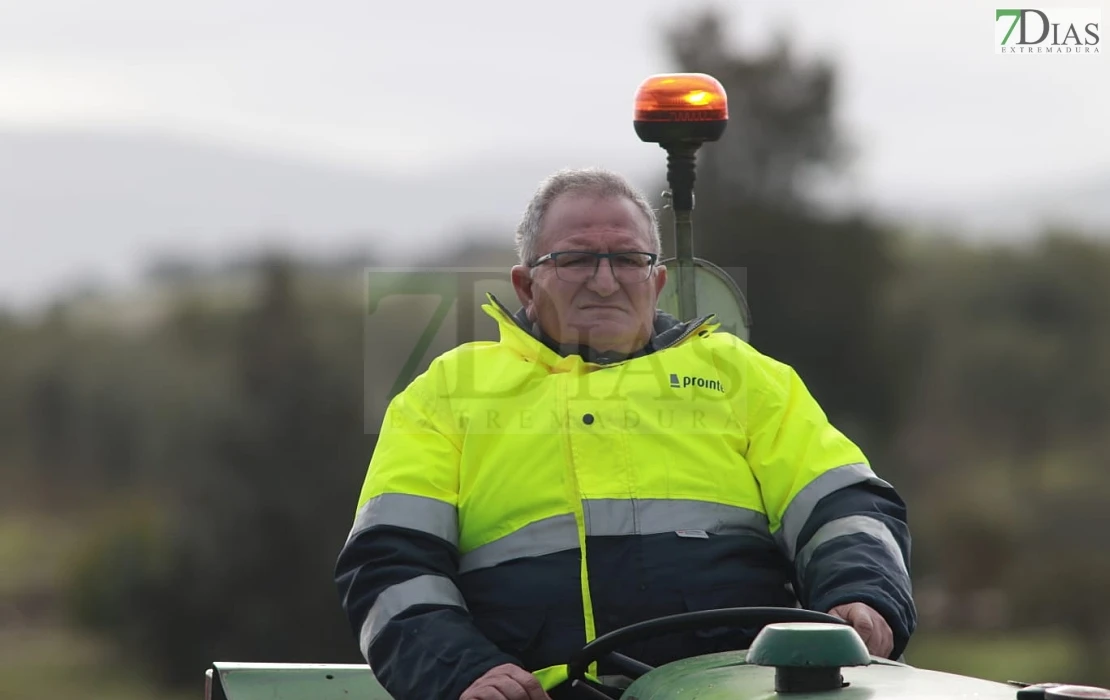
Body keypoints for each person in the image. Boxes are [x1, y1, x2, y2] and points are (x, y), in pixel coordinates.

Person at [335, 167, 917, 700]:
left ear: (657, 280)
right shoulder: (445, 393)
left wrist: (862, 598)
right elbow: (390, 565)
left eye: (628, 260)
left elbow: (844, 505)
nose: (606, 282)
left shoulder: (744, 377)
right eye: (576, 260)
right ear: (525, 285)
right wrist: (462, 672)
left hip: (741, 690)